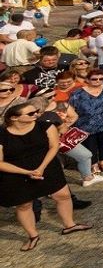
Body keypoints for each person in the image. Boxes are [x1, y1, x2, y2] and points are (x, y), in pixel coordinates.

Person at [0, 102, 92, 251]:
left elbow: (54, 147)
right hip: (16, 172)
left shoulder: (45, 126)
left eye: (36, 111)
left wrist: (41, 168)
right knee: (24, 205)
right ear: (14, 118)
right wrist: (26, 172)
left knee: (63, 195)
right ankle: (33, 235)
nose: (36, 114)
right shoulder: (2, 134)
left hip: (47, 166)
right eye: (30, 113)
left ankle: (70, 225)